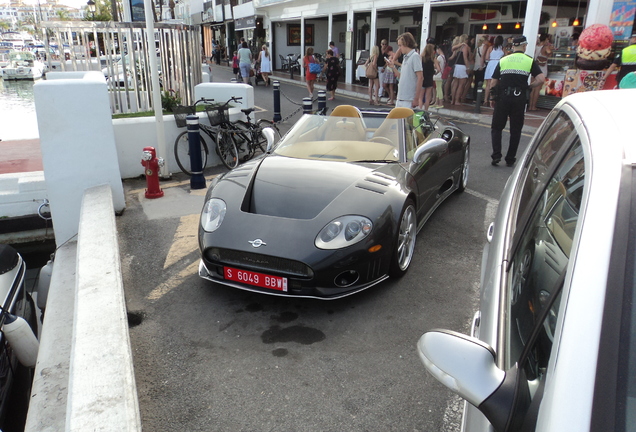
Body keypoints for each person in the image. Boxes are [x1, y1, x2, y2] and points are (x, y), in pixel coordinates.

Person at [489, 35, 545, 167]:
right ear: (524, 46)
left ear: (513, 46)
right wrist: (529, 87)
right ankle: (510, 158)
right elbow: (541, 79)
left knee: (497, 127)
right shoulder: (529, 60)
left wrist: (492, 97)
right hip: (519, 98)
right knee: (516, 129)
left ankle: (496, 155)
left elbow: (493, 82)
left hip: (503, 97)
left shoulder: (504, 60)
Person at [385, 32, 423, 108]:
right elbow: (401, 76)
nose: (399, 48)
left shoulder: (415, 56)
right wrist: (393, 67)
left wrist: (416, 98)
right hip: (401, 98)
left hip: (409, 100)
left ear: (407, 43)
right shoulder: (405, 57)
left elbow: (420, 77)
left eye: (400, 45)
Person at [529, 34, 553, 110]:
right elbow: (549, 54)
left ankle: (529, 106)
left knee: (533, 89)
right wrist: (551, 50)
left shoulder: (535, 46)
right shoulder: (545, 47)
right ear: (546, 39)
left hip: (534, 68)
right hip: (542, 69)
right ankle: (533, 106)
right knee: (537, 89)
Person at [484, 36, 504, 106]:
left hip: (491, 63)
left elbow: (486, 57)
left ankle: (485, 100)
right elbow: (506, 56)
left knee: (488, 83)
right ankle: (492, 98)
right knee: (496, 82)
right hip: (498, 64)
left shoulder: (490, 48)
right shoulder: (503, 48)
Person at [451, 34, 470, 105]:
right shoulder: (465, 47)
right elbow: (465, 58)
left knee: (455, 83)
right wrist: (468, 67)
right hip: (462, 66)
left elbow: (452, 48)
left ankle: (452, 100)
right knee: (461, 85)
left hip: (457, 66)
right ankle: (457, 100)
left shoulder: (458, 47)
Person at [419, 43, 438, 110]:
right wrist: (434, 72)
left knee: (420, 97)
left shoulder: (421, 57)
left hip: (422, 78)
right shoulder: (433, 58)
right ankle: (426, 112)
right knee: (427, 98)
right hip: (429, 79)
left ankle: (420, 110)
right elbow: (438, 69)